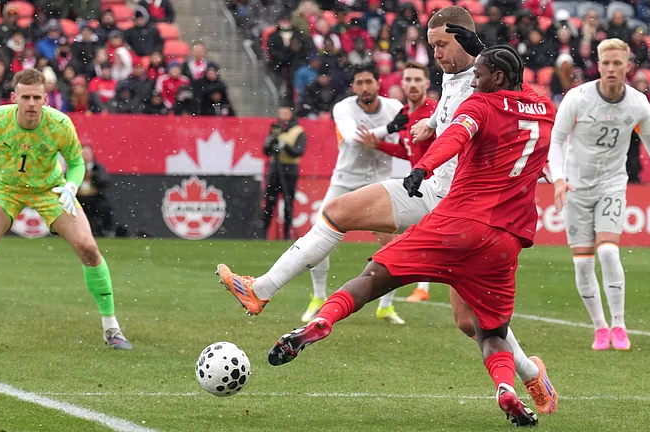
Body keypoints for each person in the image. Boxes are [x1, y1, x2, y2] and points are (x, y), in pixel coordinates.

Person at [217, 9, 557, 417]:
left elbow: (472, 119)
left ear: (466, 42)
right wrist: (431, 122)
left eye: (442, 45)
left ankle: (532, 377)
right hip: (448, 202)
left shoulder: (482, 79)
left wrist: (427, 159)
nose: (436, 54)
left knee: (470, 322)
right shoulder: (459, 75)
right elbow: (462, 115)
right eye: (430, 46)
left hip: (451, 200)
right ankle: (260, 290)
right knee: (340, 212)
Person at [0, 69, 132, 350]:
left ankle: (111, 327)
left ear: (46, 98)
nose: (31, 103)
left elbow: (76, 164)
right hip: (5, 188)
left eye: (37, 97)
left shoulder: (59, 124)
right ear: (14, 97)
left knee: (88, 248)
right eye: (26, 97)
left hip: (48, 189)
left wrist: (70, 187)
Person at [218, 63, 409, 324]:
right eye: (360, 82)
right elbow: (354, 137)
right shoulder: (343, 108)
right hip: (345, 180)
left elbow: (399, 142)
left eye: (369, 82)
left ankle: (386, 306)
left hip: (379, 180)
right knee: (320, 236)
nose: (365, 87)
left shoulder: (395, 108)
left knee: (392, 242)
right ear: (353, 87)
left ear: (378, 84)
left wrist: (387, 134)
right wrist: (388, 129)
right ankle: (318, 297)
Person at [548, 38, 650, 351]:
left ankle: (618, 324)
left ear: (627, 66)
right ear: (599, 65)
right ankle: (599, 327)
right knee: (582, 263)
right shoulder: (577, 98)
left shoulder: (637, 103)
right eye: (606, 63)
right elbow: (557, 140)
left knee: (607, 252)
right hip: (576, 188)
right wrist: (559, 179)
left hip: (611, 185)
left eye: (618, 63)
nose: (611, 68)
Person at [351, 60, 437, 302]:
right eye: (408, 79)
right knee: (415, 234)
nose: (412, 84)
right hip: (419, 184)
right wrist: (380, 145)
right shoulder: (406, 114)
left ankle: (414, 287)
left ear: (426, 84)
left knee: (420, 236)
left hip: (438, 184)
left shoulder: (434, 113)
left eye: (417, 80)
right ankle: (408, 288)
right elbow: (406, 149)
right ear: (402, 83)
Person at [261, 105, 306, 241]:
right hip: (275, 168)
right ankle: (263, 233)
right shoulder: (275, 129)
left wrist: (284, 146)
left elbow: (299, 151)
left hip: (290, 170)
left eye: (286, 112)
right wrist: (270, 144)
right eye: (281, 113)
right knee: (269, 202)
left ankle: (286, 234)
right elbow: (266, 152)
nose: (283, 116)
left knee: (288, 202)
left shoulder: (298, 131)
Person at [77, 145, 115, 237]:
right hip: (78, 197)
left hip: (94, 197)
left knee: (105, 208)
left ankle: (104, 231)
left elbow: (105, 181)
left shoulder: (98, 167)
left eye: (87, 153)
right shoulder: (75, 166)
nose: (85, 156)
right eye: (83, 153)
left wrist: (94, 176)